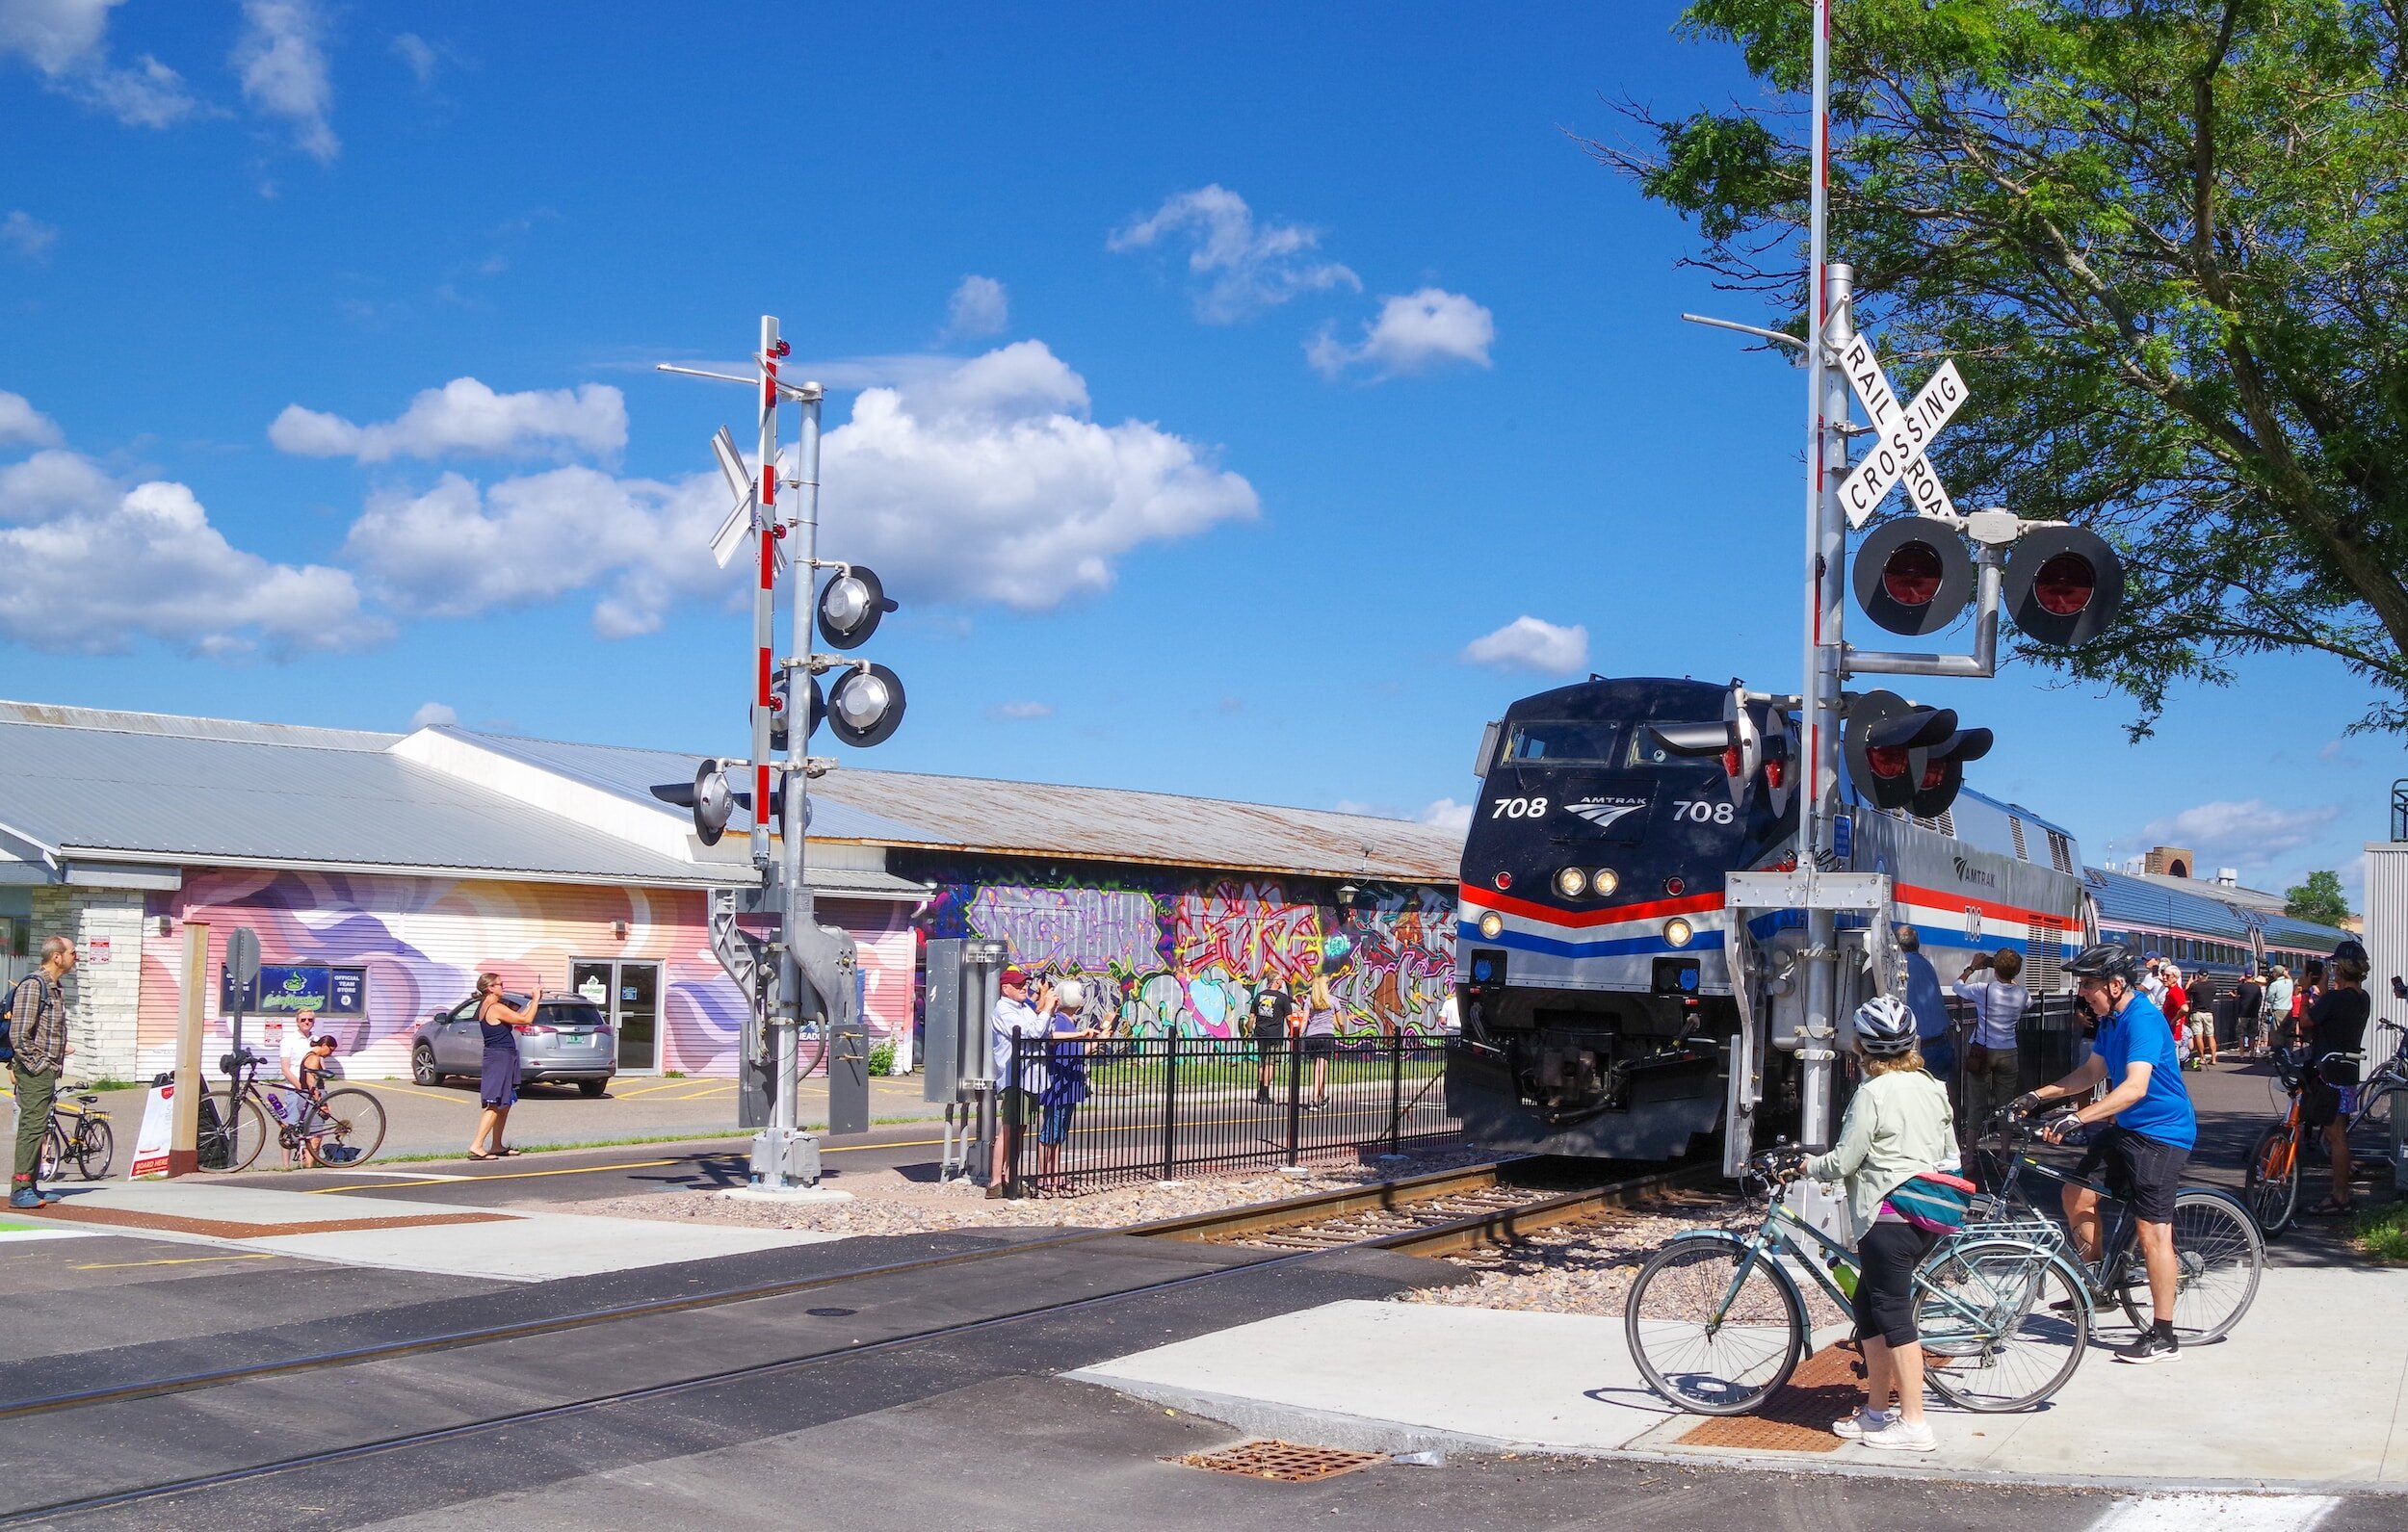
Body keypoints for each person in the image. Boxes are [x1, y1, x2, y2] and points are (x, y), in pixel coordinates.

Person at [2012, 942, 2196, 1365]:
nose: (2083, 993)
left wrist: (2079, 1119)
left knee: (2153, 1232)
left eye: (2089, 985)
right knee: (2076, 1193)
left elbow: (2135, 1087)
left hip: (2162, 1133)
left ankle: (2165, 1335)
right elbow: (2091, 1073)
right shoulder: (2110, 1020)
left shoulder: (2143, 1020)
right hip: (2128, 1127)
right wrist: (2034, 1096)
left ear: (2116, 985)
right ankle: (2096, 1286)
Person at [1801, 994, 1955, 1453]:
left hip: (1887, 1217)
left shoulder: (1871, 1093)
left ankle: (1914, 1424)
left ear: (1860, 1047)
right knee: (1868, 1307)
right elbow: (1950, 1154)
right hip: (1924, 1213)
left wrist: (1807, 1167)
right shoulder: (1933, 1086)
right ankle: (1875, 1412)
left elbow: (1845, 1160)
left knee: (1892, 1316)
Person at [2301, 940, 2371, 1216]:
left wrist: (2307, 989)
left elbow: (2306, 1022)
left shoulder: (2334, 998)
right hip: (2347, 1070)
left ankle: (2340, 1195)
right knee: (2337, 1133)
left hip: (2329, 1072)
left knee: (2336, 1135)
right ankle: (2341, 1191)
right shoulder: (2360, 997)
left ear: (2339, 968)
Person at [7, 936, 74, 1209]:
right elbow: (19, 1035)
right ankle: (20, 1188)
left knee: (40, 1128)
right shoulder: (34, 985)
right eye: (72, 952)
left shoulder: (54, 987)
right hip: (35, 1071)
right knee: (32, 1128)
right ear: (56, 956)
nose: (75, 957)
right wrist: (41, 1066)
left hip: (47, 1070)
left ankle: (31, 1185)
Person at [987, 967, 1056, 1190]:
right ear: (1005, 988)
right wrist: (1045, 1009)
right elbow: (1032, 1032)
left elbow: (1042, 1029)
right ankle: (996, 1180)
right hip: (1015, 1078)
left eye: (1024, 983)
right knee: (1008, 1129)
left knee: (1020, 1129)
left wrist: (1045, 1007)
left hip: (1030, 1078)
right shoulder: (1003, 1011)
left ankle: (1010, 1176)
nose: (1023, 987)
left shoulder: (1023, 1007)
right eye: (1018, 985)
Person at [1952, 948, 2028, 1135]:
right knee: (2006, 1107)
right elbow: (2028, 1003)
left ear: (1994, 969)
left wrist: (1971, 968)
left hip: (1983, 1052)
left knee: (1976, 1106)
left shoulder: (1983, 989)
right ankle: (2004, 1160)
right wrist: (2011, 979)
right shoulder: (2022, 994)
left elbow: (1957, 987)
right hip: (2009, 1052)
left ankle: (1969, 1157)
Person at [1034, 997, 1105, 1189]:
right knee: (1050, 1131)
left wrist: (1098, 1041)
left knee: (1060, 1133)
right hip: (1058, 1084)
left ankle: (1056, 1174)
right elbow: (1053, 1039)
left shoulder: (1071, 1022)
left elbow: (1077, 1052)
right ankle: (1043, 1175)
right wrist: (1083, 1035)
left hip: (1070, 1082)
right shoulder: (1060, 1019)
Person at [466, 974, 537, 1162]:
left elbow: (517, 1015)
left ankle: (496, 1144)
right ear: (490, 988)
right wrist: (536, 999)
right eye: (499, 984)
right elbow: (525, 1019)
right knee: (495, 1103)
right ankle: (477, 1144)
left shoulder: (491, 1006)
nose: (502, 987)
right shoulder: (495, 1007)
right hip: (499, 1057)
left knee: (504, 1103)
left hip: (504, 1056)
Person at [1896, 928, 1955, 1090]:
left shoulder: (1899, 968)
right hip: (1940, 1045)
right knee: (1936, 1101)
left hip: (1917, 1050)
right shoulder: (1926, 964)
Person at [1248, 977, 1296, 1104]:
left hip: (1260, 1034)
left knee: (1262, 1062)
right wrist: (1292, 1032)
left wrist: (1249, 1030)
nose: (1283, 981)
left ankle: (1259, 1092)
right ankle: (1265, 1094)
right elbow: (1289, 1018)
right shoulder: (1283, 998)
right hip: (1274, 1035)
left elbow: (1252, 1017)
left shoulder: (1258, 996)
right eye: (1281, 979)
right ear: (1276, 981)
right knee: (1270, 1063)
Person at [1299, 971, 1339, 1109]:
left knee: (1319, 1068)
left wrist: (1299, 1033)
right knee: (1320, 1068)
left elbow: (1304, 1019)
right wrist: (1343, 1031)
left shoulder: (1310, 1000)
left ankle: (1322, 1096)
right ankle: (1314, 1099)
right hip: (1326, 1036)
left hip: (1311, 1036)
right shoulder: (1333, 1000)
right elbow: (1340, 1021)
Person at [2235, 969, 2265, 1059]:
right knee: (2252, 1035)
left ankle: (2241, 1054)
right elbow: (2259, 1000)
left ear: (2245, 976)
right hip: (2253, 1014)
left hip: (2242, 1013)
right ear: (2253, 977)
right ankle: (2252, 1053)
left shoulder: (2241, 987)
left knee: (2241, 1035)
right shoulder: (2257, 988)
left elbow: (2238, 996)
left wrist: (2240, 982)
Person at [2264, 966, 2295, 1051]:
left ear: (2275, 974)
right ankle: (2289, 1050)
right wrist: (2286, 974)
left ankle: (2280, 1051)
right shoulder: (2289, 982)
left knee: (2278, 1033)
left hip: (2279, 1010)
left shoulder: (2274, 985)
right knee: (2288, 1032)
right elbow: (2290, 979)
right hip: (2289, 1011)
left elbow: (2269, 999)